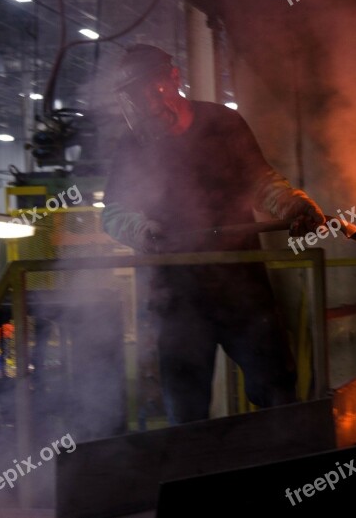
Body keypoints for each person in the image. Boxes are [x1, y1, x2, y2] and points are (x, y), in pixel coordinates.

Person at [101, 44, 325, 424]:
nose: (148, 104)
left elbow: (260, 181)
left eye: (152, 90)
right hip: (176, 295)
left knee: (277, 391)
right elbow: (113, 213)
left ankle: (289, 472)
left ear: (174, 78)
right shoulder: (133, 145)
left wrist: (291, 204)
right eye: (137, 96)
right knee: (186, 412)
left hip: (241, 284)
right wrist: (141, 230)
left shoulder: (223, 123)